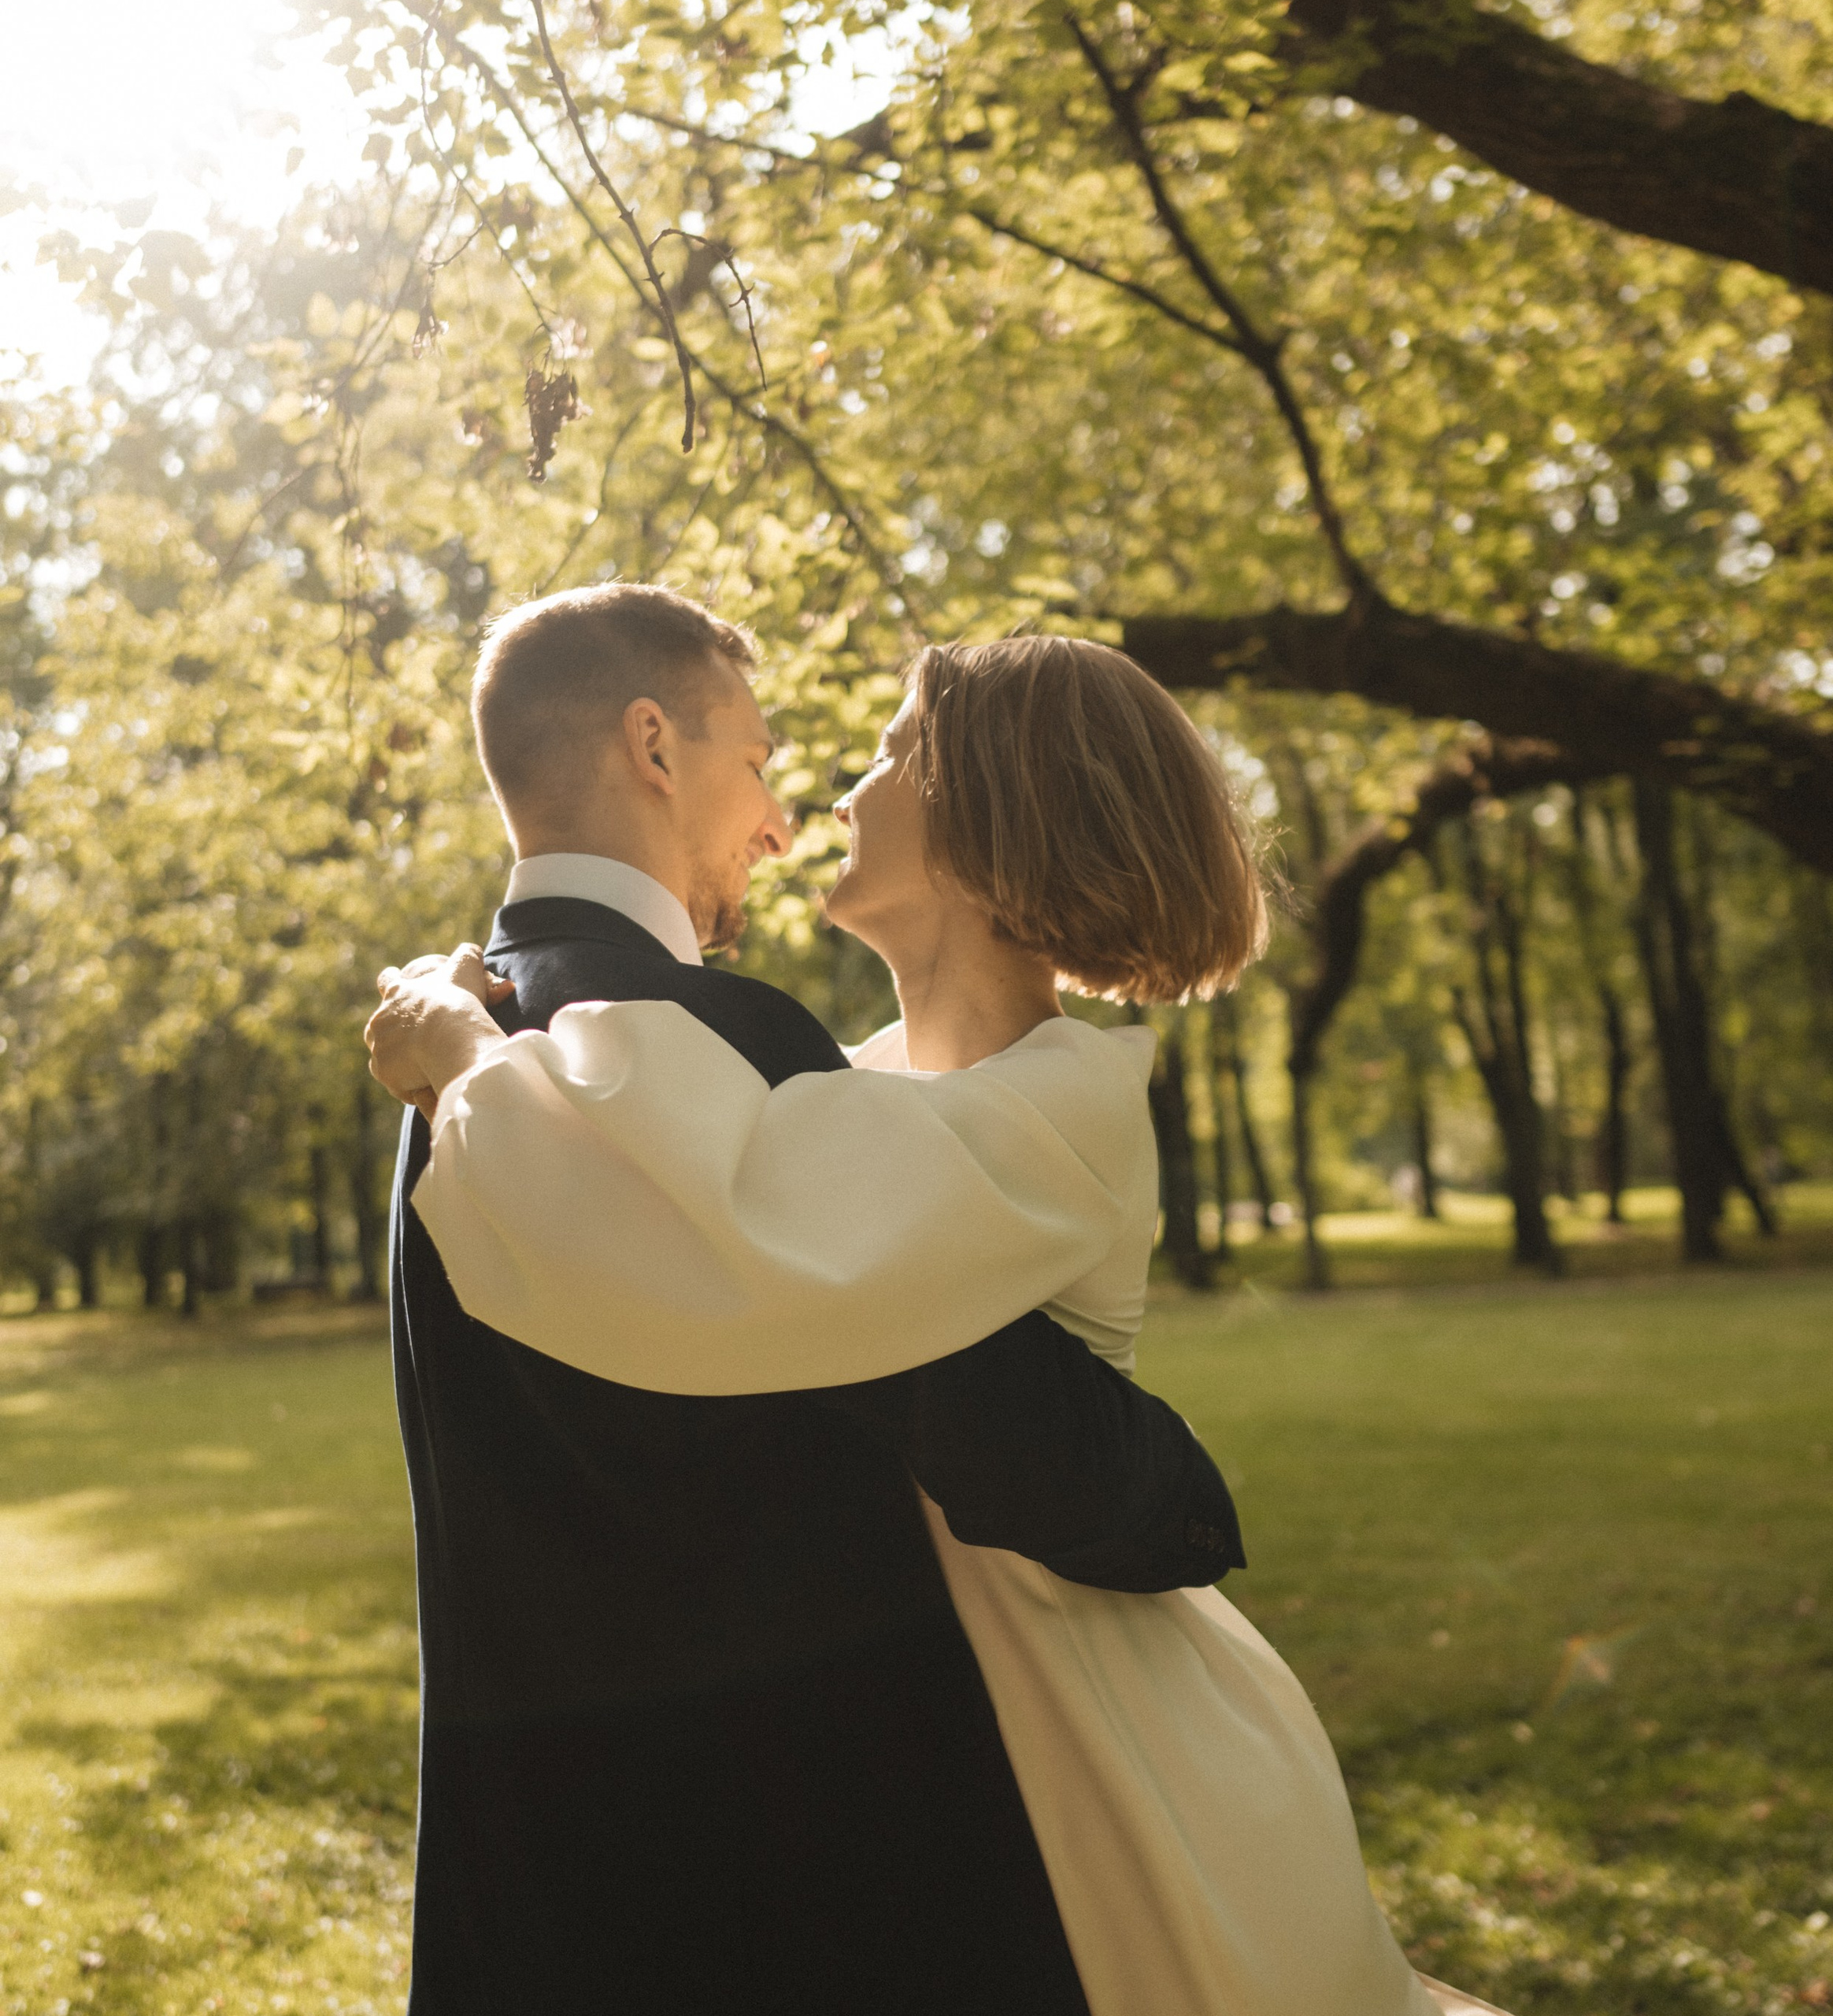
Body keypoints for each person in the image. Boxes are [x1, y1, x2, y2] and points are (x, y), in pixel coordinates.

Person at [370, 627, 1513, 2016]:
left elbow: (738, 1236)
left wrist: (467, 1060)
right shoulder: (823, 1086)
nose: (828, 802)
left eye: (894, 753)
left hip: (1091, 1717)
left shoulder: (1051, 1105)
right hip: (930, 1744)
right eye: (791, 759)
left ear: (990, 824)